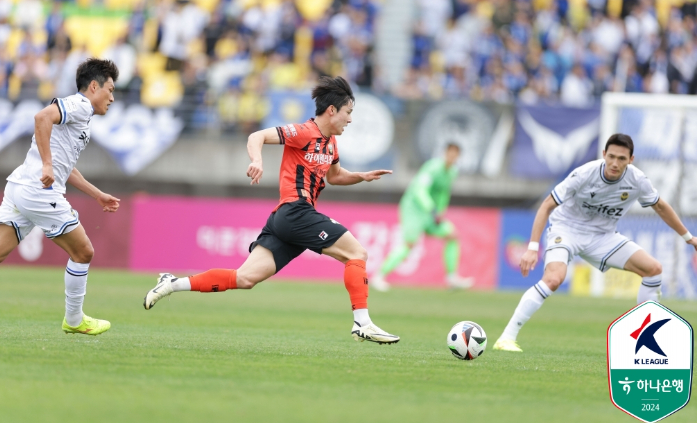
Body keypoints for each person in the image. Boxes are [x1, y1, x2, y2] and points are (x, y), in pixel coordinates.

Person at [143, 76, 400, 344]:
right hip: (295, 211)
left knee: (244, 278)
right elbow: (257, 135)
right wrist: (257, 160)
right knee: (357, 253)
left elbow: (335, 176)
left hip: (285, 220)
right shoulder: (303, 132)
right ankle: (363, 323)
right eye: (348, 113)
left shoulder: (331, 143)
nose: (350, 120)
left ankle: (171, 283)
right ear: (332, 110)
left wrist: (361, 176)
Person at [493, 134, 697, 352]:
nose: (615, 163)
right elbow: (546, 205)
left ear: (631, 160)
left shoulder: (638, 180)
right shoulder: (584, 173)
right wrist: (532, 248)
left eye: (621, 158)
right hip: (567, 230)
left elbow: (661, 207)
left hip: (602, 237)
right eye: (611, 157)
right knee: (553, 279)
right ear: (603, 155)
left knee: (653, 269)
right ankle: (506, 338)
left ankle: (645, 338)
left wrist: (689, 238)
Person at [0, 58, 121, 336]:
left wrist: (97, 195)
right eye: (110, 89)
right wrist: (46, 164)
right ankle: (74, 319)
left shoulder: (81, 117)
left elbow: (65, 167)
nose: (112, 97)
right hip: (38, 190)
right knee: (83, 252)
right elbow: (41, 117)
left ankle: (74, 319)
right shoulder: (81, 105)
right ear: (94, 86)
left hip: (23, 185)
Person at [370, 143, 474, 292]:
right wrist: (431, 208)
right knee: (409, 245)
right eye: (450, 153)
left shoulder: (452, 172)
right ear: (445, 153)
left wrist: (440, 211)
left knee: (452, 235)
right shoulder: (432, 168)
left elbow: (443, 193)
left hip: (431, 213)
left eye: (455, 154)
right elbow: (419, 190)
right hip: (414, 209)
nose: (452, 157)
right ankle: (379, 276)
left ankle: (451, 278)